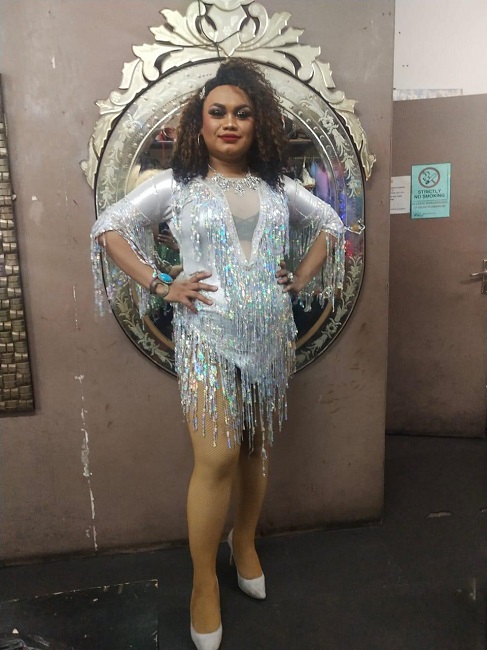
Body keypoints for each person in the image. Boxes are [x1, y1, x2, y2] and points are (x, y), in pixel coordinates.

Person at [91, 58, 344, 650]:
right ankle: (203, 583)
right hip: (205, 337)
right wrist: (162, 284)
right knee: (217, 455)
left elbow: (333, 225)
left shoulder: (278, 188)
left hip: (269, 337)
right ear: (199, 122)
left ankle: (244, 542)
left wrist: (300, 279)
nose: (230, 123)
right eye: (218, 112)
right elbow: (109, 227)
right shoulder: (175, 186)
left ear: (259, 124)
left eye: (242, 113)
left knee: (255, 447)